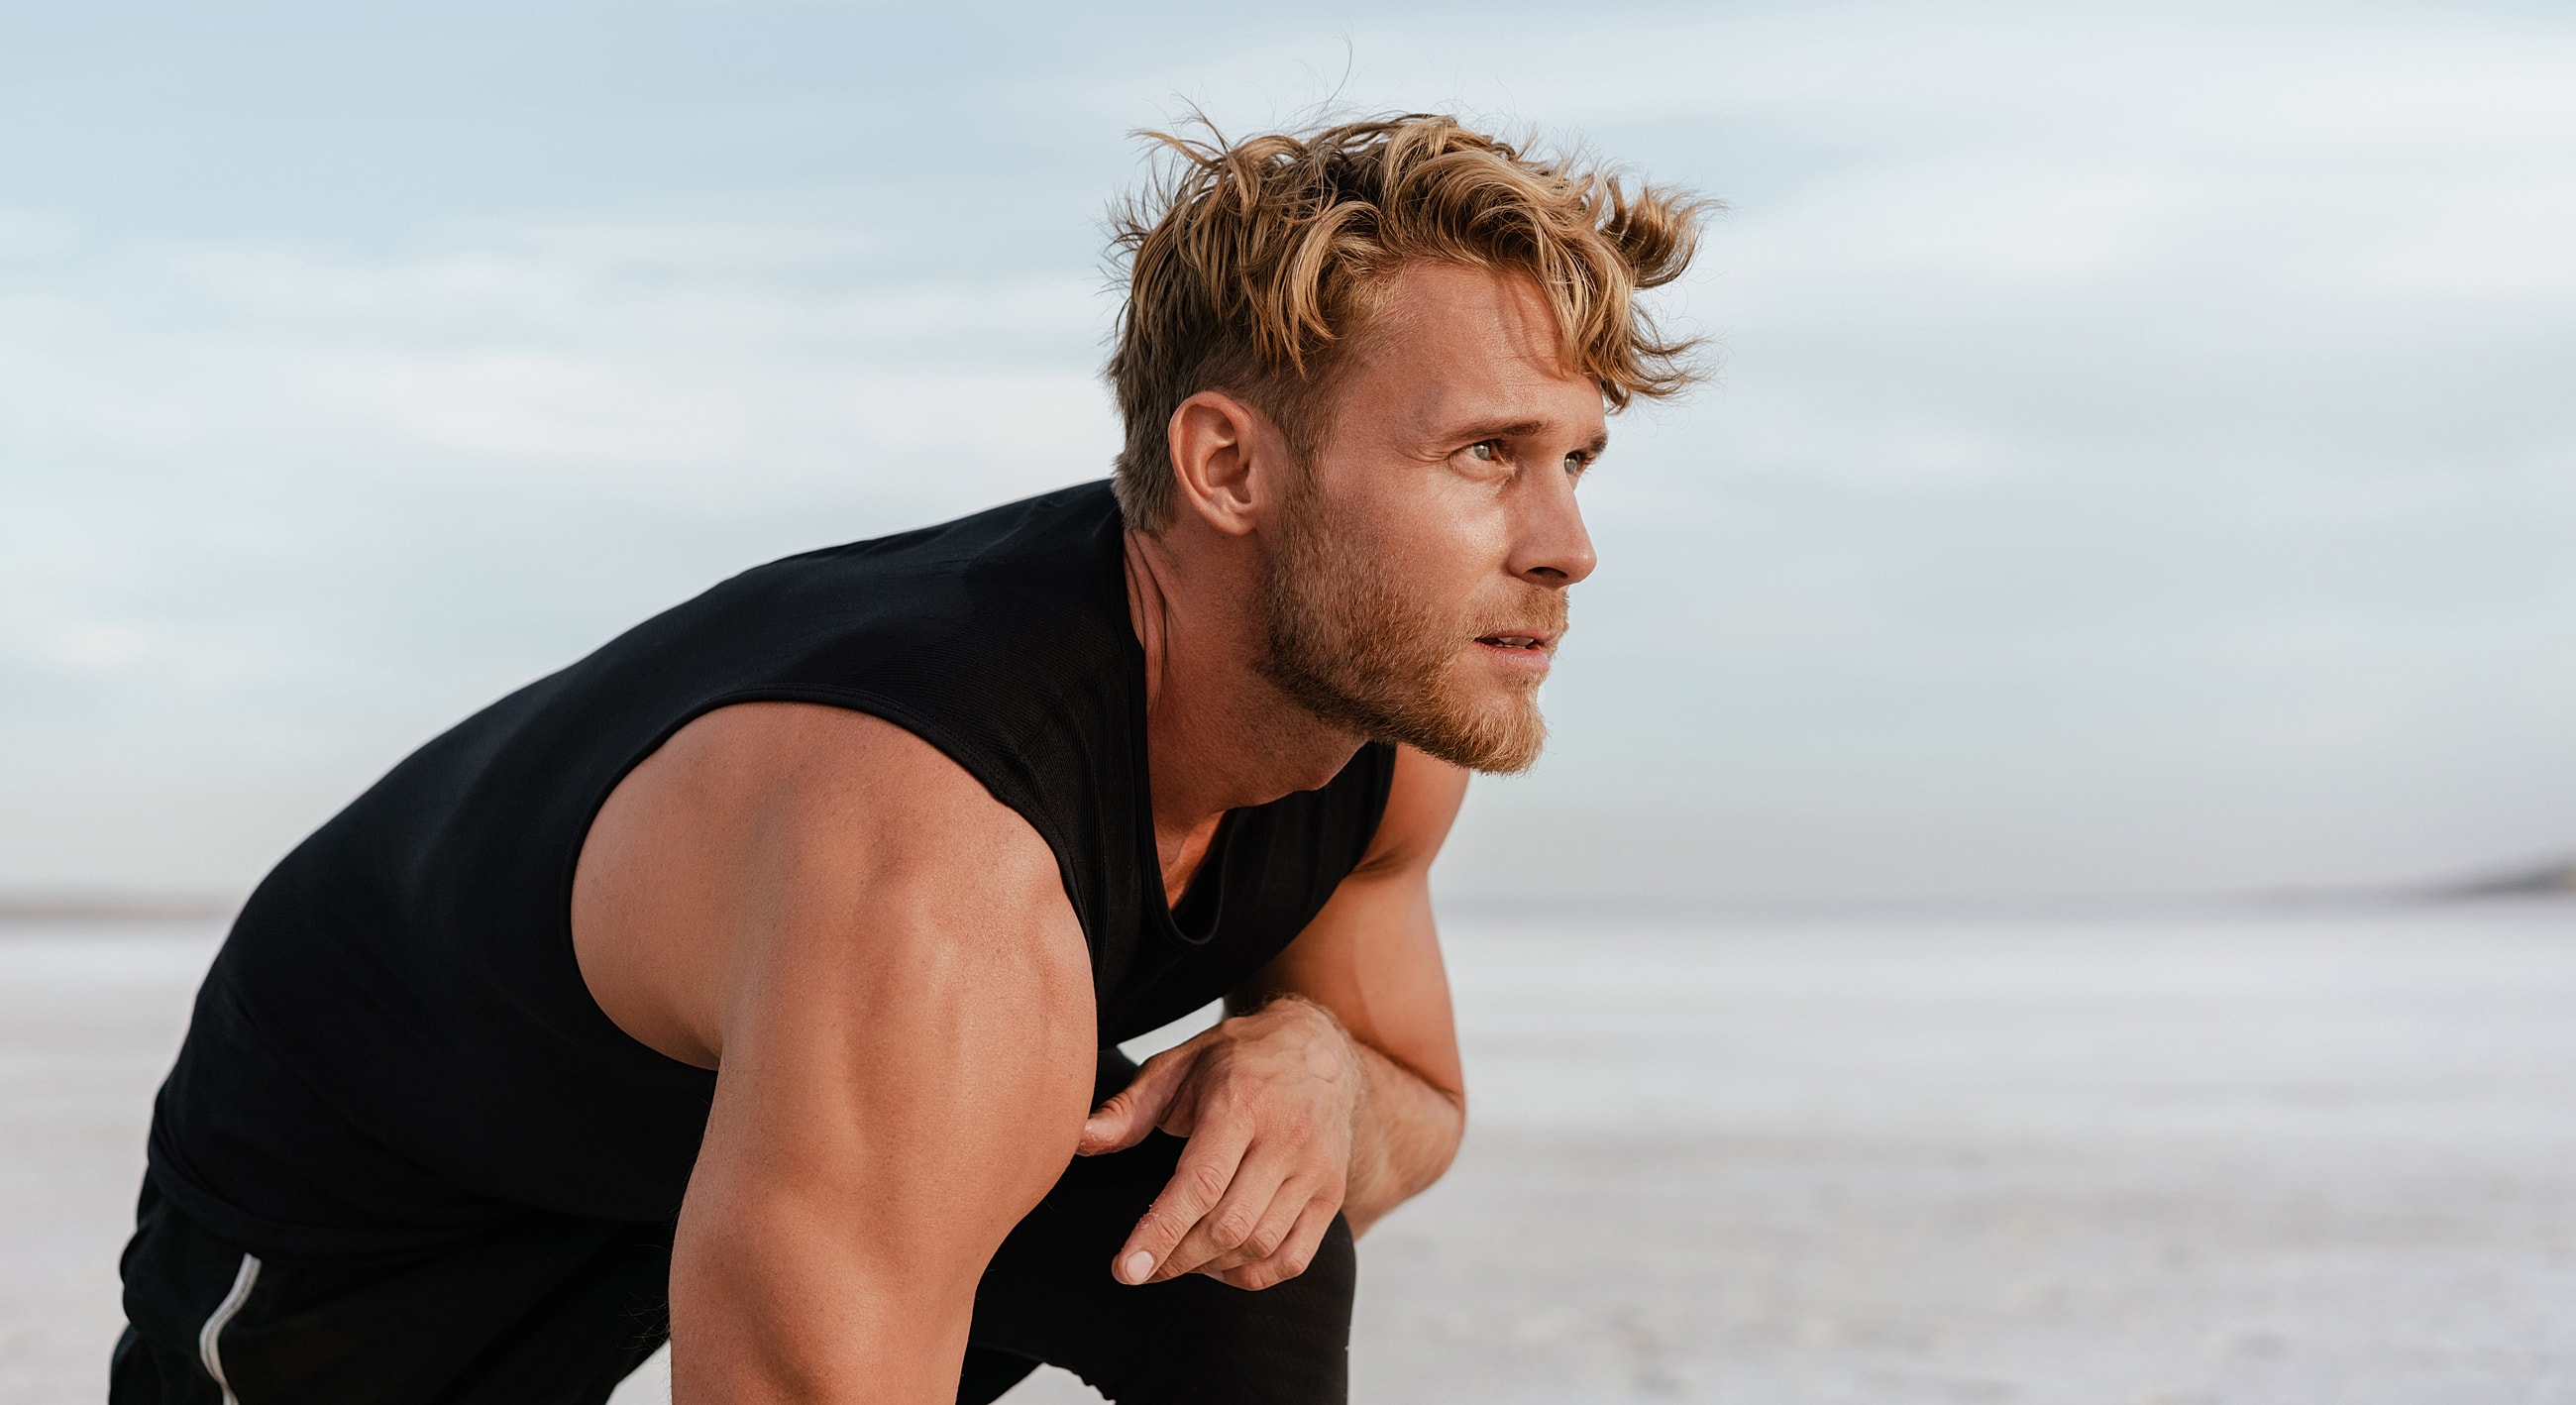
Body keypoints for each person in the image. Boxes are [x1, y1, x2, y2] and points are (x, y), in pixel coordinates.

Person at [111, 114, 1706, 1405]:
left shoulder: (1383, 722)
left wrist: (1318, 1064)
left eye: (1575, 460)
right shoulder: (936, 866)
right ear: (1225, 464)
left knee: (1245, 1222)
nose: (1564, 545)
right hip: (402, 1188)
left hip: (828, 1094)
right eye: (1486, 454)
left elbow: (1412, 1097)